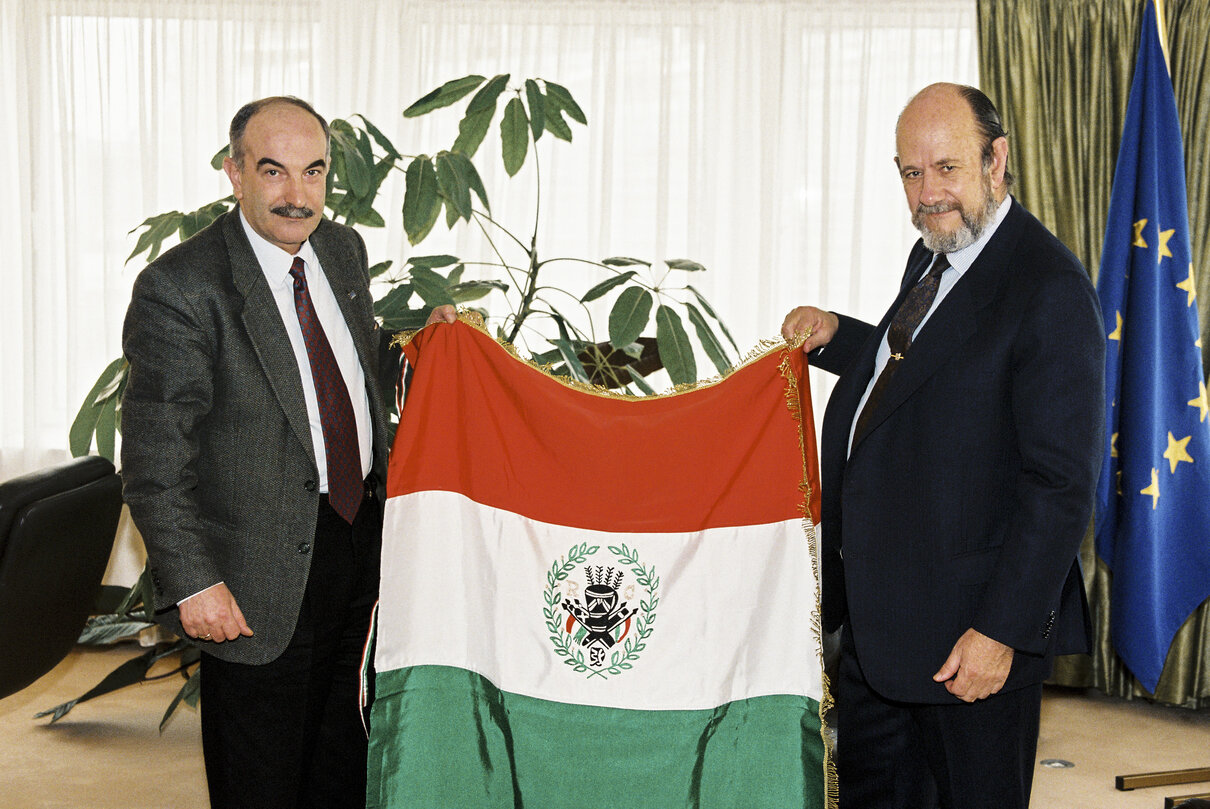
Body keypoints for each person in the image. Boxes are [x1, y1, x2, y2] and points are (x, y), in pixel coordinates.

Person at [121, 96, 455, 808]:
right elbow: (154, 461)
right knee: (261, 781)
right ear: (233, 172)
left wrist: (432, 347)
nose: (297, 195)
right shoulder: (181, 288)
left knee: (342, 764)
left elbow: (349, 371)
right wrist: (193, 583)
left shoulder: (341, 250)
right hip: (250, 581)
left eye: (313, 172)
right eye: (273, 171)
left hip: (357, 549)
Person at [781, 83, 1105, 809]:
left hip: (967, 640)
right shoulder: (935, 256)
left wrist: (1001, 632)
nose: (928, 194)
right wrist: (841, 334)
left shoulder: (1047, 286)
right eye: (909, 172)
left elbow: (1059, 485)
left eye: (946, 168)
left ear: (997, 160)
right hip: (881, 629)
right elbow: (933, 372)